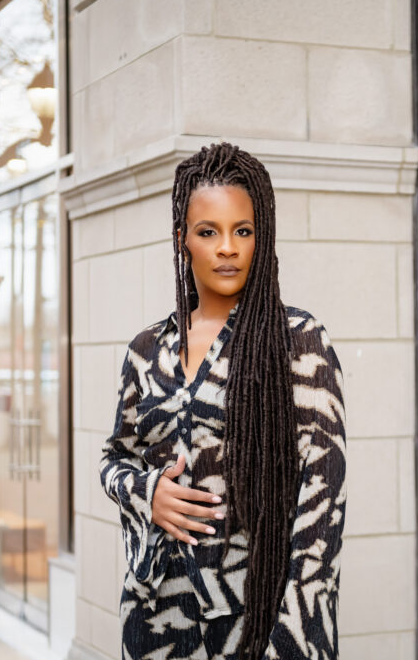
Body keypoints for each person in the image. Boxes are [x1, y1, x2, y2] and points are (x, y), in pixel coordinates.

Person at [99, 142, 346, 659]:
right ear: (183, 239)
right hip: (155, 618)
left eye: (243, 231)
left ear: (262, 239)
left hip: (255, 623)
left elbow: (321, 508)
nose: (227, 247)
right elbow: (115, 457)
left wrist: (288, 641)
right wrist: (147, 492)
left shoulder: (298, 341)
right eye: (208, 232)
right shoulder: (148, 350)